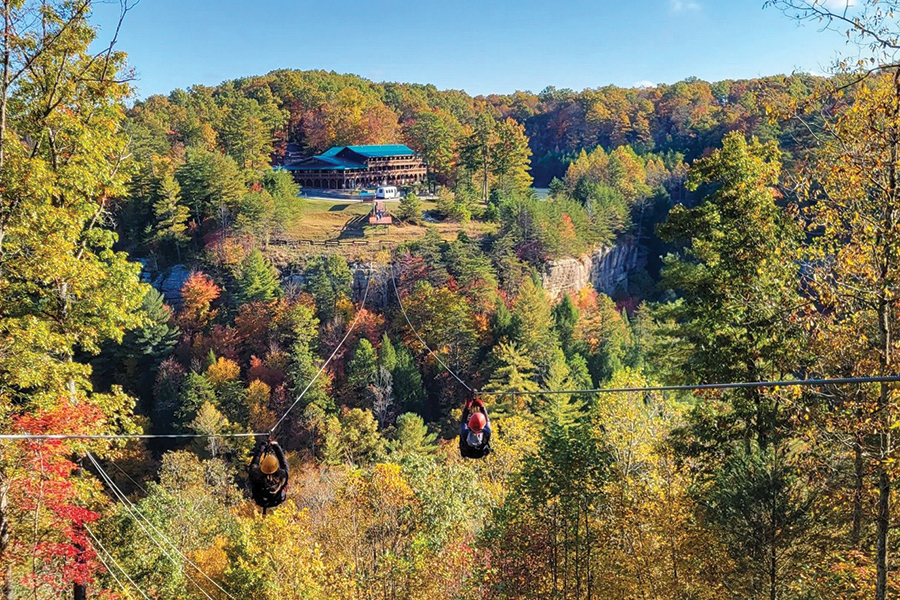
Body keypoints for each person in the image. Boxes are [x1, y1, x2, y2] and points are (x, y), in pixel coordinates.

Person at [248, 437, 289, 514]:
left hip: (260, 501)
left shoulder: (256, 475)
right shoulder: (282, 477)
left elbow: (254, 463)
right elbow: (284, 463)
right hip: (276, 502)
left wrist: (262, 447)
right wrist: (276, 447)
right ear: (276, 466)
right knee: (285, 485)